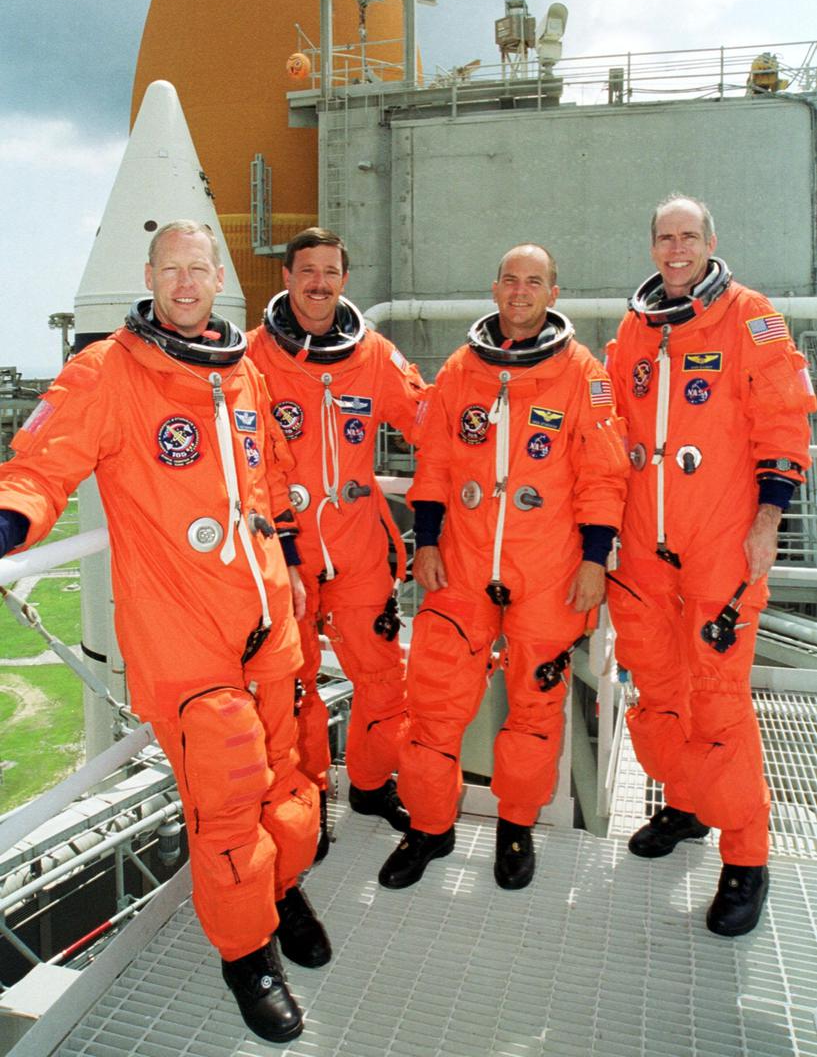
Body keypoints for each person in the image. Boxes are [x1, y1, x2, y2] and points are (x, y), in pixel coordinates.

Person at [0, 221, 330, 1044]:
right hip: (182, 633)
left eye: (198, 268)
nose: (185, 283)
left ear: (218, 275)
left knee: (288, 781)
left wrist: (286, 558)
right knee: (224, 805)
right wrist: (9, 523)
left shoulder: (239, 370)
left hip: (265, 622)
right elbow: (40, 467)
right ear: (148, 275)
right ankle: (247, 957)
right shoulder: (106, 371)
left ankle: (279, 891)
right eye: (170, 269)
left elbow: (271, 478)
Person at [378, 243, 629, 890]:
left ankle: (516, 826)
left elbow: (603, 476)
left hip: (546, 569)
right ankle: (430, 826)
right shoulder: (462, 369)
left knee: (534, 708)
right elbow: (431, 464)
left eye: (535, 281)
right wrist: (426, 541)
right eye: (511, 280)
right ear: (495, 290)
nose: (520, 291)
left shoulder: (582, 374)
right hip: (458, 566)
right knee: (432, 702)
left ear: (553, 293)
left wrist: (594, 560)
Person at [605, 194, 815, 937]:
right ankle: (689, 803)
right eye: (663, 237)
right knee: (657, 694)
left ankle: (746, 856)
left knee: (719, 703)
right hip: (642, 552)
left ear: (709, 242)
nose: (674, 249)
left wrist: (767, 522)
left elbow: (784, 420)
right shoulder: (634, 329)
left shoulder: (749, 316)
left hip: (721, 545)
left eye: (687, 236)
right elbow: (604, 425)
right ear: (651, 246)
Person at [247, 228, 427, 855]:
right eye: (307, 271)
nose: (319, 283)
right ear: (287, 278)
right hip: (285, 555)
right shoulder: (250, 360)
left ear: (344, 280)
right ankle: (307, 801)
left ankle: (373, 784)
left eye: (330, 272)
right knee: (293, 689)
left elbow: (428, 423)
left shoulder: (374, 355)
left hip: (358, 550)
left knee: (383, 678)